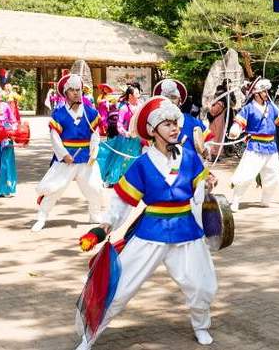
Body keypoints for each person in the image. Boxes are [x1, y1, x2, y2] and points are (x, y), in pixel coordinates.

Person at [77, 96, 219, 349]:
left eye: (175, 122)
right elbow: (122, 203)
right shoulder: (141, 165)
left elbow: (200, 185)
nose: (175, 128)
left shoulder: (189, 157)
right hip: (150, 232)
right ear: (153, 131)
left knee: (201, 285)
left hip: (187, 230)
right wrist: (103, 228)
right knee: (120, 288)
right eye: (167, 124)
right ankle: (90, 335)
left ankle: (201, 326)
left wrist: (207, 183)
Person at [32, 74, 107, 232]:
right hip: (66, 158)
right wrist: (64, 154)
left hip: (86, 157)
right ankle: (42, 216)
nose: (76, 93)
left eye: (78, 90)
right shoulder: (59, 114)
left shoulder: (90, 112)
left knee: (94, 187)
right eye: (72, 90)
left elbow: (95, 133)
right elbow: (54, 137)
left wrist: (94, 151)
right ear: (65, 93)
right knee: (54, 188)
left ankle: (94, 215)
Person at [227, 78, 279, 211]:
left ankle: (266, 200)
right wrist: (234, 131)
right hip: (255, 146)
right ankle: (236, 200)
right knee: (246, 174)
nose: (267, 94)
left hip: (271, 147)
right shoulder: (248, 109)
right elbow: (239, 123)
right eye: (264, 92)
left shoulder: (271, 107)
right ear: (256, 94)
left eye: (267, 91)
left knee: (272, 175)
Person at [98, 85, 142, 187]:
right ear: (130, 96)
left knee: (135, 159)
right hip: (125, 139)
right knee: (120, 159)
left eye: (139, 93)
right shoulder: (124, 108)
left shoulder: (141, 106)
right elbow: (119, 124)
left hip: (137, 140)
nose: (139, 95)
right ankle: (114, 179)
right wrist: (125, 133)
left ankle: (133, 181)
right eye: (136, 93)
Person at [154, 79, 209, 157]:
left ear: (180, 100)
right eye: (165, 97)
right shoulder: (153, 123)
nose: (170, 101)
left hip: (189, 166)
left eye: (173, 97)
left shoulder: (191, 121)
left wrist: (206, 148)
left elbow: (209, 138)